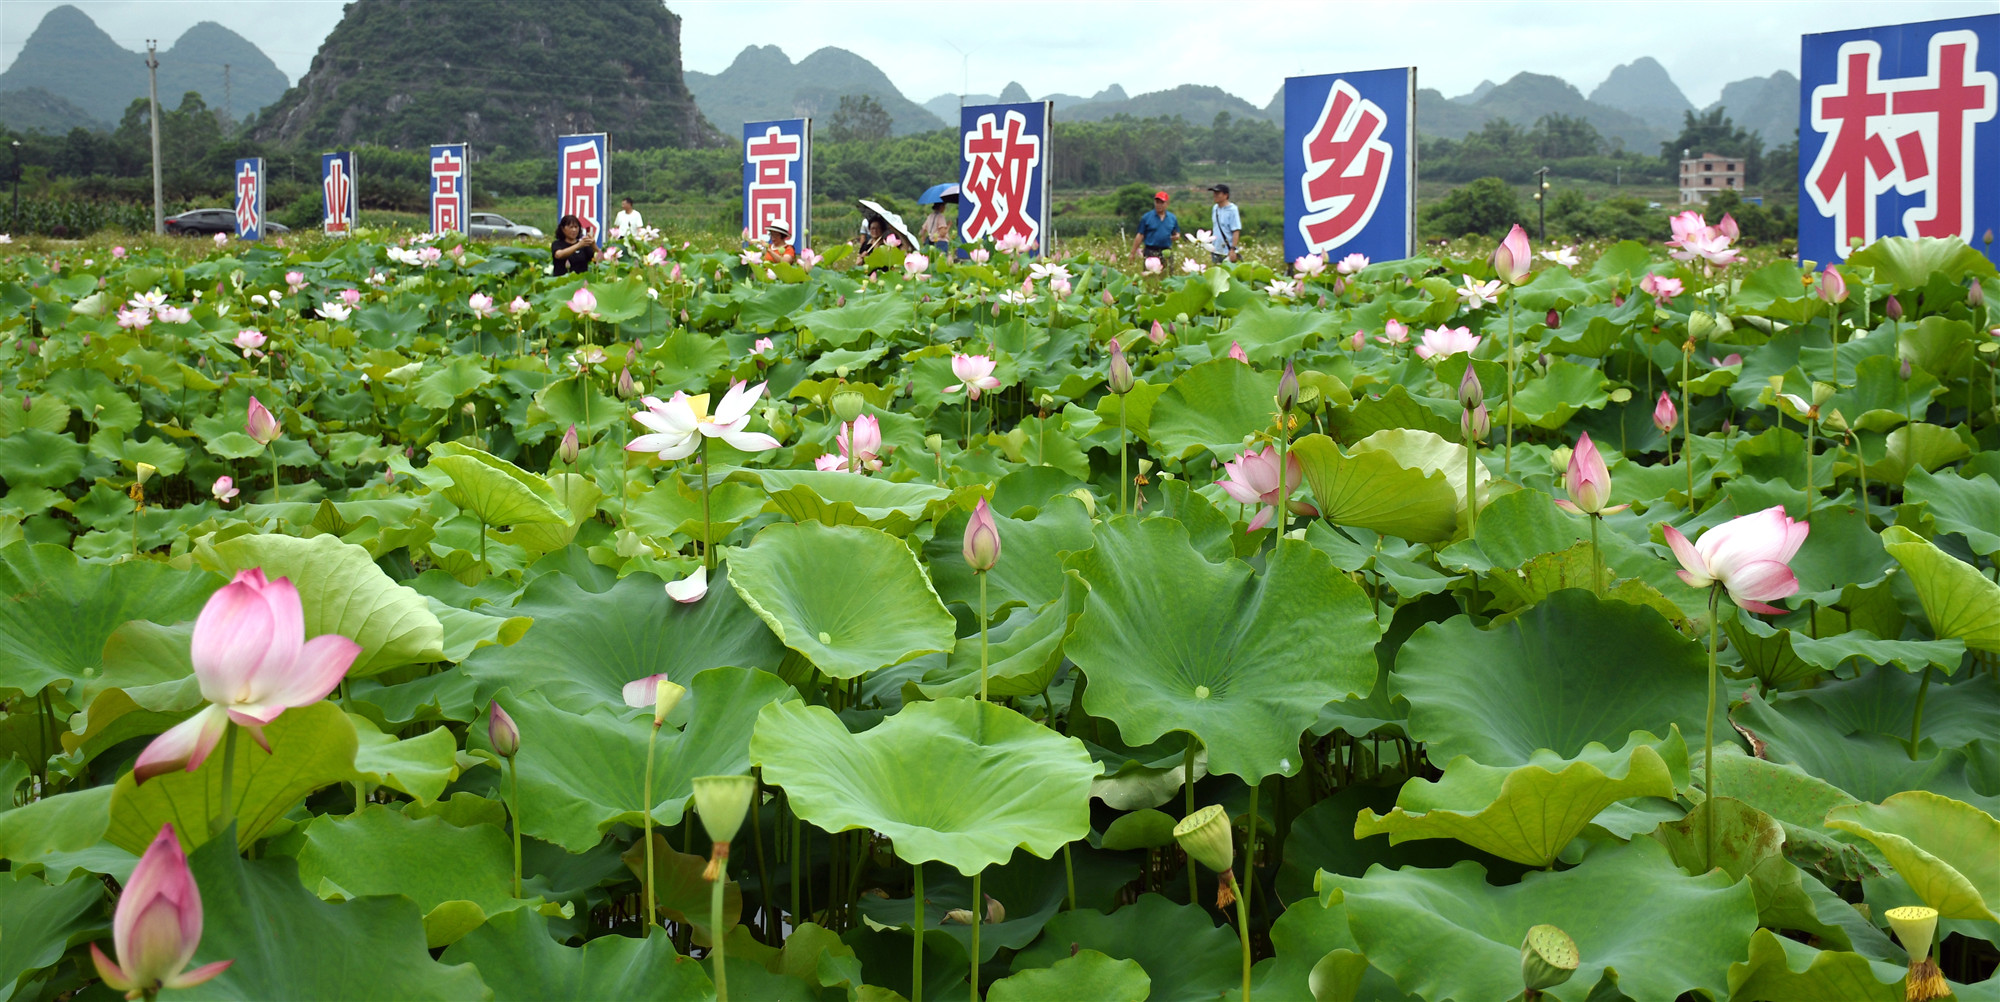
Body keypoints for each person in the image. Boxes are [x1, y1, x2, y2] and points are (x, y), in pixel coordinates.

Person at [1130, 190, 1178, 267]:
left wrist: (1176, 236)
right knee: (1150, 276)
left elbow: (1176, 232)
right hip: (1151, 251)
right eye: (1157, 202)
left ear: (1167, 204)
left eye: (1161, 202)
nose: (1159, 205)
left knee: (1168, 275)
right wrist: (1133, 253)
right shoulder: (1147, 217)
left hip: (1166, 251)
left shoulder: (1172, 218)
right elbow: (1140, 235)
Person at [1208, 184, 1241, 263]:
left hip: (1228, 250)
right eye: (1214, 193)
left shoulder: (1232, 209)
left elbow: (1236, 230)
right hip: (1215, 249)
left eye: (1218, 193)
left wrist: (1233, 249)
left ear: (1226, 195)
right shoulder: (1215, 208)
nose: (1215, 196)